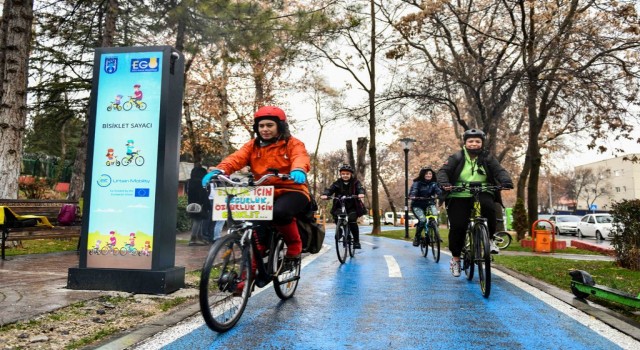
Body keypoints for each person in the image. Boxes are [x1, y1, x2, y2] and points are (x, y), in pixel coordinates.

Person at [202, 105, 311, 260]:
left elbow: (300, 156)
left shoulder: (292, 143)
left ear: (280, 126)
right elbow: (236, 159)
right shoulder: (252, 145)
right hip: (264, 192)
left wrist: (299, 169)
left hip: (292, 189)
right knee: (255, 227)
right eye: (261, 126)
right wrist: (220, 170)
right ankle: (248, 275)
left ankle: (294, 245)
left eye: (269, 125)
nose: (265, 129)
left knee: (280, 213)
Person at [437, 129, 513, 277]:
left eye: (477, 141)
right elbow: (443, 171)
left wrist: (506, 181)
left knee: (489, 209)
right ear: (465, 143)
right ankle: (456, 259)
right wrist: (444, 182)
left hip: (483, 190)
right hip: (459, 192)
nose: (474, 144)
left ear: (482, 143)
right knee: (458, 226)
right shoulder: (456, 157)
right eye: (470, 141)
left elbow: (499, 171)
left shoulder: (488, 157)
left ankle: (490, 240)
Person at [320, 164, 366, 249]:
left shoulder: (355, 182)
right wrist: (325, 195)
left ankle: (356, 241)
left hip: (352, 205)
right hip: (339, 204)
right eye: (343, 174)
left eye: (347, 174)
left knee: (352, 221)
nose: (345, 175)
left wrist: (360, 193)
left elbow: (360, 188)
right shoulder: (337, 183)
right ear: (340, 174)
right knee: (337, 218)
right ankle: (340, 230)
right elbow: (330, 189)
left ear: (350, 174)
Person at [409, 167, 442, 247]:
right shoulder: (417, 183)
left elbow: (438, 191)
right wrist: (413, 196)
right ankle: (417, 237)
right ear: (423, 174)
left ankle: (436, 235)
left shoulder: (434, 183)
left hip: (429, 203)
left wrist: (441, 193)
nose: (428, 175)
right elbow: (414, 190)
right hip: (417, 205)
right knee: (423, 220)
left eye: (430, 173)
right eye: (426, 173)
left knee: (435, 215)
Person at [187, 165, 212, 246]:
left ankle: (199, 237)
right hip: (200, 204)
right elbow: (203, 194)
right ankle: (193, 238)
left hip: (192, 203)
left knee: (197, 220)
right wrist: (207, 204)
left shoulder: (189, 182)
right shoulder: (200, 182)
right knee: (198, 221)